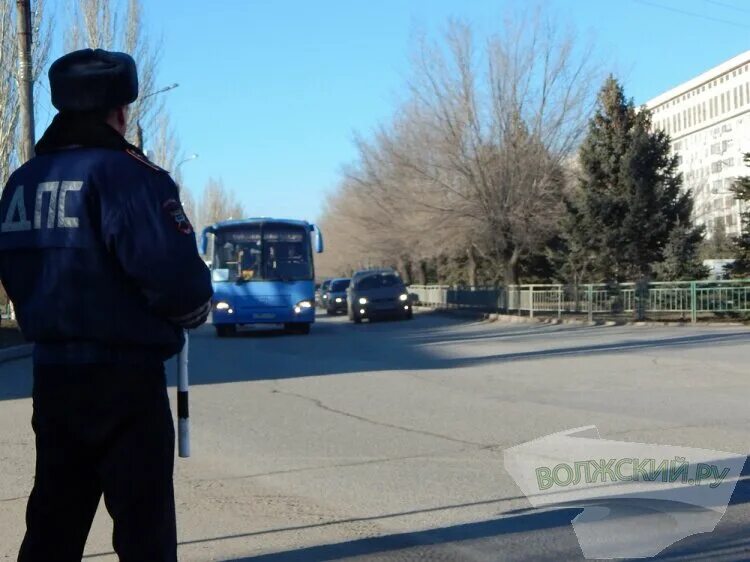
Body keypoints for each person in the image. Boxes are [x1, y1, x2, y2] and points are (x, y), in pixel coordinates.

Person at [0, 49, 213, 562]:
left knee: (53, 523)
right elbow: (179, 284)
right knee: (144, 531)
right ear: (120, 111)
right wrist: (192, 313)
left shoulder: (21, 182)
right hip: (125, 382)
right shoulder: (130, 176)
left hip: (52, 377)